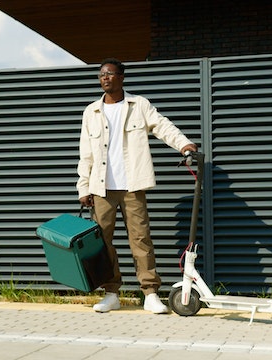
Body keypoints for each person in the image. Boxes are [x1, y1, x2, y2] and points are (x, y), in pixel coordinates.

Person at [77, 58, 198, 314]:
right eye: (101, 75)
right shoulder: (91, 111)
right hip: (101, 189)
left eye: (109, 74)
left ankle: (150, 293)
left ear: (121, 77)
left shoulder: (139, 105)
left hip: (133, 185)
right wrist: (83, 188)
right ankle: (111, 293)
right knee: (103, 243)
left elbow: (162, 126)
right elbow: (85, 154)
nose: (104, 78)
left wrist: (184, 144)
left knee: (141, 239)